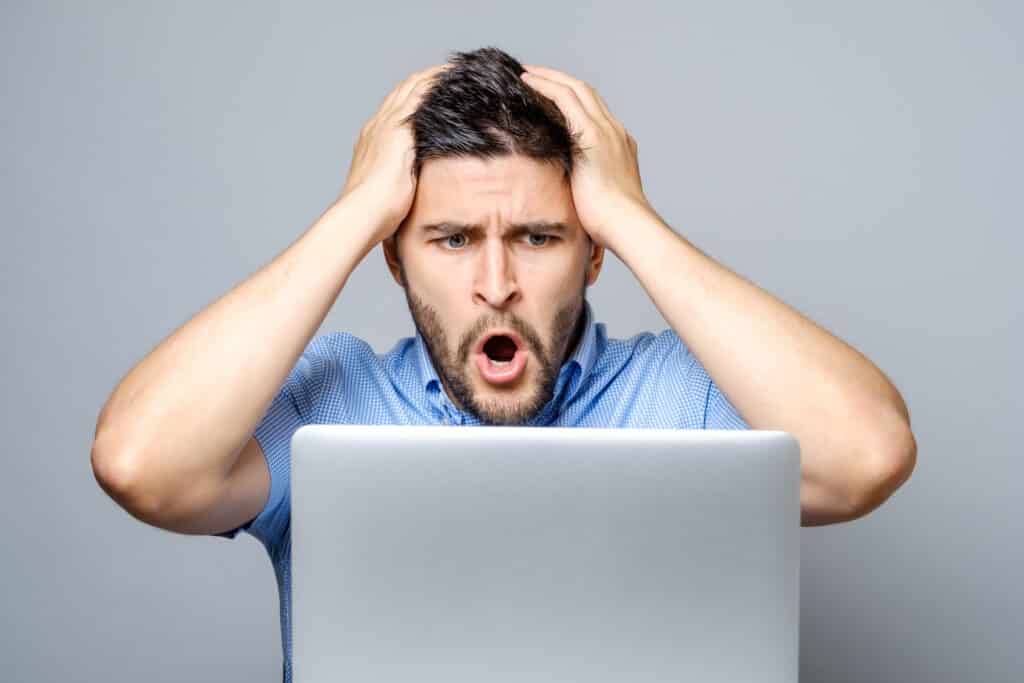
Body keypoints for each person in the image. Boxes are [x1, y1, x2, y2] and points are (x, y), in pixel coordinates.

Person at [91, 46, 916, 683]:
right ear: (394, 258)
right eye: (451, 240)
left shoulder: (685, 395)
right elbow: (142, 466)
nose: (496, 287)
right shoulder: (334, 400)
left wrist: (631, 218)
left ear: (593, 254)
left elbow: (866, 455)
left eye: (538, 237)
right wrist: (354, 215)